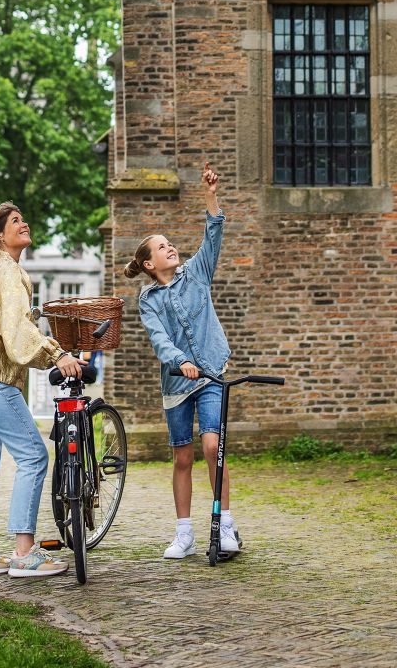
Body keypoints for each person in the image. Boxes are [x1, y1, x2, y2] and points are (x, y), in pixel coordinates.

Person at [0, 202, 85, 579]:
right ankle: (25, 553)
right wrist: (57, 355)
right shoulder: (8, 271)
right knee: (34, 457)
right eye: (15, 221)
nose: (24, 224)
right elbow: (17, 330)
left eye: (24, 218)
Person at [123, 160, 242, 560]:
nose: (169, 246)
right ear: (148, 264)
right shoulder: (147, 299)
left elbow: (213, 234)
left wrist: (209, 194)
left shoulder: (197, 273)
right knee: (182, 456)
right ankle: (184, 532)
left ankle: (226, 526)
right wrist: (178, 360)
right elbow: (159, 339)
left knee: (212, 446)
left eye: (169, 242)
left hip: (210, 374)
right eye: (160, 247)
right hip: (177, 385)